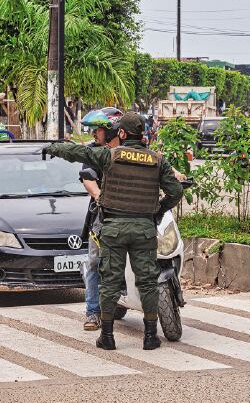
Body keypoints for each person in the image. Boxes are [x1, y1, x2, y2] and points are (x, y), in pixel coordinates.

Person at [44, 112, 183, 351]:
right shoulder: (157, 160)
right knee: (148, 282)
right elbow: (176, 192)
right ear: (143, 134)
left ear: (121, 133)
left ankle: (107, 336)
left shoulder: (109, 156)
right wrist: (158, 211)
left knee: (109, 282)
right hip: (144, 229)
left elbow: (80, 152)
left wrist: (54, 149)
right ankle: (150, 336)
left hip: (114, 228)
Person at [76, 107, 123, 332]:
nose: (95, 133)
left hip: (134, 215)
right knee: (94, 262)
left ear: (112, 130)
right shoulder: (94, 152)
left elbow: (157, 165)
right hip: (102, 217)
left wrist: (176, 175)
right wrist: (100, 197)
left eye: (99, 129)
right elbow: (88, 178)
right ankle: (93, 312)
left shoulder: (133, 150)